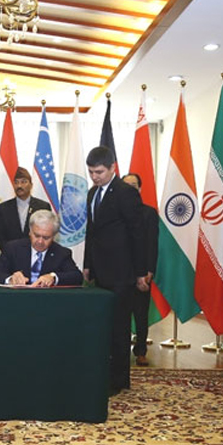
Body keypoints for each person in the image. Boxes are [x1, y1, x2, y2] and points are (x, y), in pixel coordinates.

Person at [83, 147, 151, 396]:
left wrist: (141, 271)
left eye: (99, 172)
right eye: (91, 172)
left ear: (113, 167)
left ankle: (119, 380)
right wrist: (88, 264)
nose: (95, 177)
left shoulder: (125, 192)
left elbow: (137, 233)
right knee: (104, 324)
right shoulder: (92, 193)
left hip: (122, 271)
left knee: (119, 327)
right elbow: (92, 231)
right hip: (100, 270)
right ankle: (105, 373)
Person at [0, 210, 82, 287]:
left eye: (46, 238)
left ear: (54, 236)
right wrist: (10, 279)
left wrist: (53, 277)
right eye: (36, 235)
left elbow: (77, 277)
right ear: (30, 231)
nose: (40, 241)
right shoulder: (13, 248)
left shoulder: (61, 253)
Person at [121, 173, 159, 364]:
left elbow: (152, 243)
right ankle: (120, 351)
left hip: (141, 271)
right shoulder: (116, 212)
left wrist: (149, 270)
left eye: (134, 185)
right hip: (119, 272)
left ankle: (141, 351)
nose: (130, 188)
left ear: (140, 188)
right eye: (126, 185)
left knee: (141, 314)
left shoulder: (149, 213)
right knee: (120, 315)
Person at [0, 167, 52, 253]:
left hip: (36, 254)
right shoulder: (3, 208)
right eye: (16, 182)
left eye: (23, 182)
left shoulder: (43, 207)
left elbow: (47, 233)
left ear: (31, 185)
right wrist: (11, 254)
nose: (19, 186)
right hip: (11, 256)